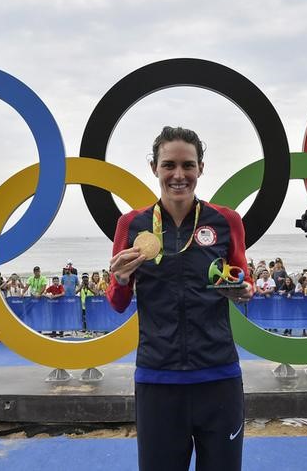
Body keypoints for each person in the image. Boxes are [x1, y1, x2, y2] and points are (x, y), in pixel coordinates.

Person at [107, 126, 252, 470]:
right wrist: (121, 279)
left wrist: (244, 291)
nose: (178, 174)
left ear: (201, 168)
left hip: (218, 377)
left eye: (188, 165)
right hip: (158, 380)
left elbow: (242, 278)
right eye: (169, 164)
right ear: (154, 168)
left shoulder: (226, 220)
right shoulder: (131, 224)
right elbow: (116, 301)